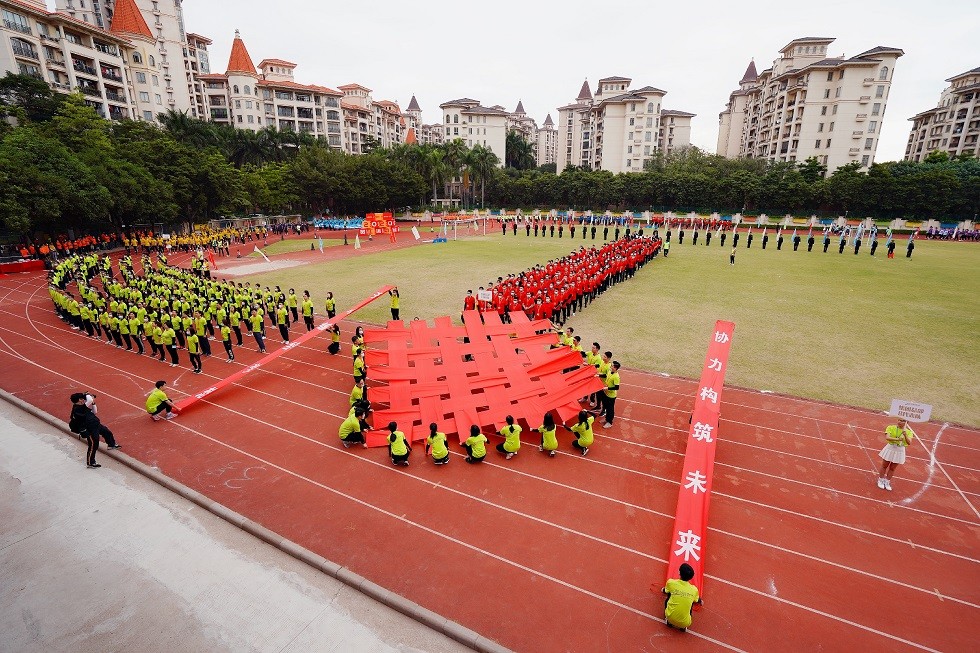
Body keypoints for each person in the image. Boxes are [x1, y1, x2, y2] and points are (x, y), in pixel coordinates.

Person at [70, 392, 119, 468]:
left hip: (95, 424)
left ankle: (111, 444)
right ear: (79, 400)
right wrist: (87, 395)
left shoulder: (82, 406)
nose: (84, 399)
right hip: (89, 428)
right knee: (93, 444)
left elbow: (94, 412)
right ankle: (90, 462)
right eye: (82, 398)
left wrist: (93, 403)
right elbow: (89, 400)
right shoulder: (78, 409)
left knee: (107, 432)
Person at [662, 563, 702, 631]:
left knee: (669, 594)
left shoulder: (671, 583)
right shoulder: (694, 589)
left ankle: (669, 621)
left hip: (670, 617)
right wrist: (700, 601)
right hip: (685, 623)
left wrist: (663, 589)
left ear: (679, 572)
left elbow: (665, 591)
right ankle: (683, 627)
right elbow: (697, 600)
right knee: (691, 602)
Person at [877, 417, 914, 491]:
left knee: (893, 468)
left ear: (906, 423)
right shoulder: (891, 427)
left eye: (902, 421)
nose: (900, 422)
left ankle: (887, 481)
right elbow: (887, 437)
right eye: (899, 420)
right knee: (884, 465)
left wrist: (905, 435)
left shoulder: (909, 432)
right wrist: (897, 439)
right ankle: (880, 480)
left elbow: (909, 442)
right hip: (890, 447)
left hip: (900, 449)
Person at [600, 361, 621, 428]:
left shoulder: (616, 377)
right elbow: (606, 375)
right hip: (606, 393)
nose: (610, 366)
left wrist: (608, 388)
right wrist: (598, 375)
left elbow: (617, 387)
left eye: (612, 366)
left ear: (615, 368)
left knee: (610, 409)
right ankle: (606, 419)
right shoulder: (609, 371)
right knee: (605, 406)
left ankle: (610, 422)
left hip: (611, 396)